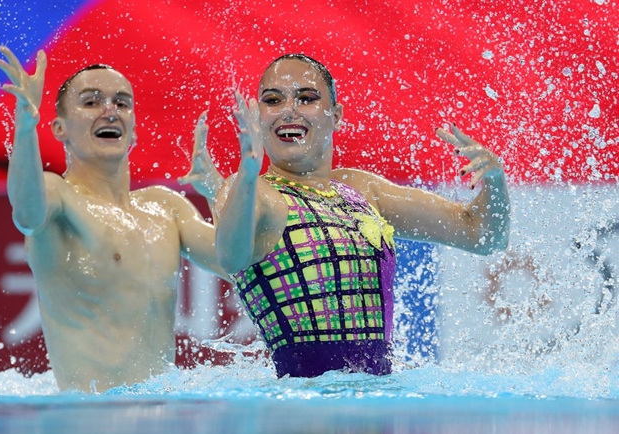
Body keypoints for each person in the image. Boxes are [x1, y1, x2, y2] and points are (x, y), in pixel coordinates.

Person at [213, 54, 510, 378]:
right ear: (258, 118)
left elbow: (482, 235)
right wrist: (247, 171)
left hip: (378, 404)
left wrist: (495, 181)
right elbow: (231, 255)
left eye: (306, 98)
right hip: (302, 411)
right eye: (273, 100)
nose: (288, 110)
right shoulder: (255, 192)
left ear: (336, 116)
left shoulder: (362, 189)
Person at [0, 45, 225, 392]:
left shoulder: (164, 207)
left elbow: (235, 260)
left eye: (122, 102)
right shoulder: (59, 198)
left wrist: (218, 191)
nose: (110, 111)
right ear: (59, 128)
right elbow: (27, 214)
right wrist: (25, 126)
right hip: (89, 422)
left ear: (133, 131)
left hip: (163, 417)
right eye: (90, 102)